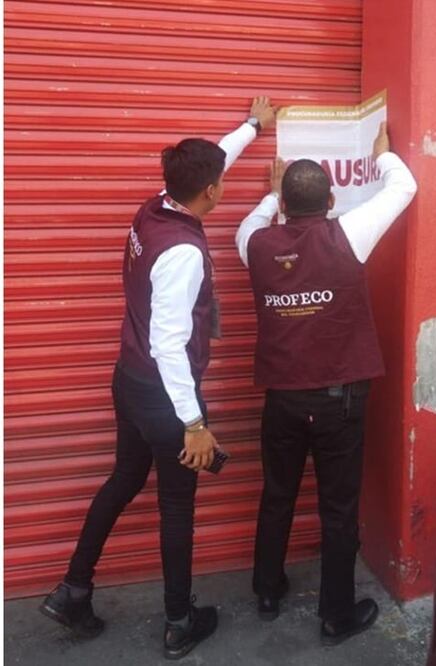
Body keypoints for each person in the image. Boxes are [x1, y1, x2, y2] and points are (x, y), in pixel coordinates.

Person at [39, 96, 277, 660]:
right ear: (213, 193)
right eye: (219, 183)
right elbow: (169, 345)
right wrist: (193, 423)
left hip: (128, 378)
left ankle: (72, 589)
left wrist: (250, 127)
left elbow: (209, 160)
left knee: (123, 478)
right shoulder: (185, 253)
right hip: (166, 397)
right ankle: (178, 621)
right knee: (177, 506)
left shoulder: (156, 207)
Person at [234, 121, 416, 645]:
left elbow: (246, 225)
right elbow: (404, 189)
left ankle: (267, 591)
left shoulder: (256, 244)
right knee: (338, 510)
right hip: (339, 404)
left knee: (277, 495)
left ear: (286, 204)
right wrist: (382, 155)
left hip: (283, 402)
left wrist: (270, 195)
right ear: (333, 198)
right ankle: (336, 615)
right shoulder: (347, 234)